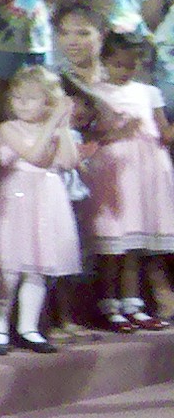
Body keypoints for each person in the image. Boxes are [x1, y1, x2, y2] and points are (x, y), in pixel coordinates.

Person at [83, 33, 174, 329]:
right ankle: (109, 304)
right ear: (105, 62)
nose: (124, 71)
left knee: (134, 242)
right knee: (114, 241)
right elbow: (90, 135)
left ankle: (132, 303)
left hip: (147, 168)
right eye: (118, 65)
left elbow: (164, 133)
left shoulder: (149, 92)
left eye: (131, 66)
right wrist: (119, 132)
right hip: (115, 170)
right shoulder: (97, 91)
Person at [0, 66, 80, 354]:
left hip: (47, 199)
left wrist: (63, 126)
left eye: (31, 98)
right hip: (17, 199)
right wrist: (52, 125)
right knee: (10, 267)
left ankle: (28, 327)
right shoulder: (8, 128)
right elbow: (35, 156)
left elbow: (68, 162)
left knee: (38, 266)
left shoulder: (54, 129)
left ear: (48, 102)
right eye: (17, 98)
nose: (22, 104)